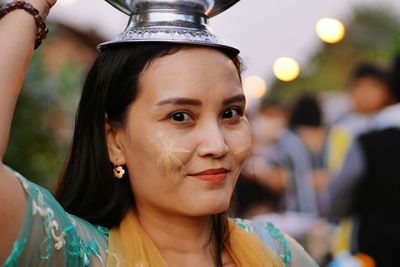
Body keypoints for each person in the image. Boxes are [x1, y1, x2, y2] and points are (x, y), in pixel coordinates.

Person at [0, 0, 317, 266]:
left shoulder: (279, 253)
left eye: (231, 113)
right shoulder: (75, 253)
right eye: (180, 116)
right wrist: (29, 7)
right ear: (114, 140)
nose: (217, 145)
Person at [323, 54, 400, 267]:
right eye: (360, 86)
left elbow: (339, 193)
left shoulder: (370, 141)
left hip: (374, 244)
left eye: (374, 85)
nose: (366, 93)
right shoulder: (341, 130)